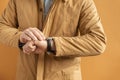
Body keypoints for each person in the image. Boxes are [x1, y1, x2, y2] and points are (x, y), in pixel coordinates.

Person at [0, 0, 106, 80]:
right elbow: (2, 26)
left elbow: (98, 41)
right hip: (26, 76)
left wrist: (50, 45)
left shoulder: (83, 1)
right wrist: (20, 39)